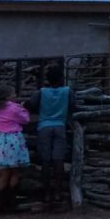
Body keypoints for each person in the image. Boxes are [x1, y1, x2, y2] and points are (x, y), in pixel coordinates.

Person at [27, 65, 75, 206]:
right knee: (58, 159)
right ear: (61, 78)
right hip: (60, 125)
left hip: (44, 126)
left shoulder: (41, 92)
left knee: (46, 161)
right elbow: (73, 106)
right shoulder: (67, 91)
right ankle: (58, 192)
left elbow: (30, 105)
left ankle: (46, 193)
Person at [0, 83, 31, 214]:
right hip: (14, 139)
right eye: (13, 94)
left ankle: (1, 203)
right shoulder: (14, 109)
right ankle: (12, 202)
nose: (15, 95)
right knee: (15, 171)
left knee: (4, 172)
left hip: (0, 140)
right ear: (8, 97)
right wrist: (23, 109)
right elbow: (25, 120)